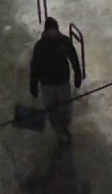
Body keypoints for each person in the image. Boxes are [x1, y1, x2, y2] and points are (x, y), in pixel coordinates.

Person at [29, 17, 83, 145]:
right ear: (46, 31)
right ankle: (59, 133)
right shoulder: (40, 46)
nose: (53, 33)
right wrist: (33, 84)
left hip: (62, 82)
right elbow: (35, 66)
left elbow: (73, 58)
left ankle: (66, 128)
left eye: (55, 30)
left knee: (65, 108)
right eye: (51, 30)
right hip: (47, 84)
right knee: (52, 110)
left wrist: (77, 74)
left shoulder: (64, 41)